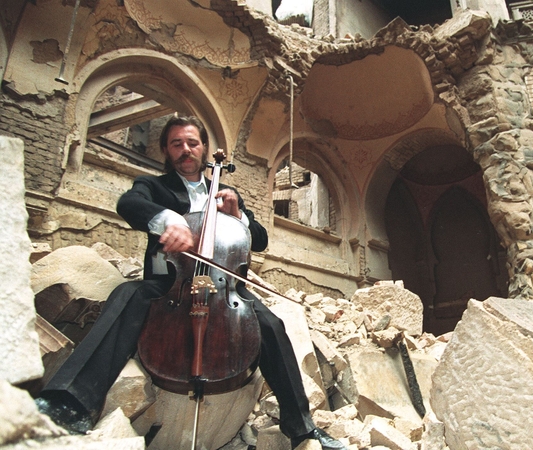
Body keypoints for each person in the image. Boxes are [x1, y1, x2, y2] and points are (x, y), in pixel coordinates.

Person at [35, 115, 346, 450]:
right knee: (127, 294)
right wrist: (167, 218)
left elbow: (258, 240)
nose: (185, 150)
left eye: (192, 143)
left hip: (224, 290)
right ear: (167, 152)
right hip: (170, 284)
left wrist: (238, 216)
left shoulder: (228, 194)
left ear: (203, 149)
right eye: (176, 144)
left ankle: (302, 428)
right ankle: (70, 403)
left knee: (271, 325)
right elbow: (129, 204)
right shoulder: (155, 187)